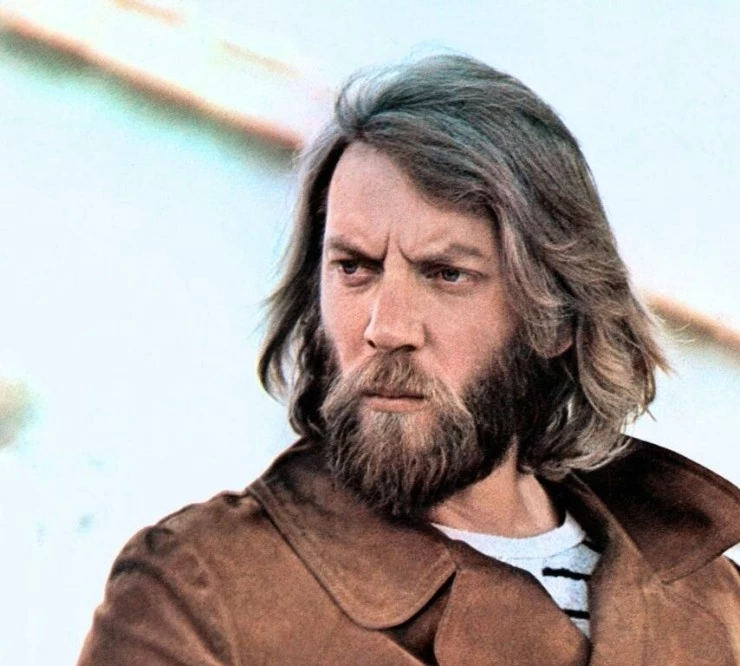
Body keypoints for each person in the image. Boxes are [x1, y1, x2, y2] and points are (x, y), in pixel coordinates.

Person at [77, 55, 740, 665]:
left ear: (557, 319)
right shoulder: (205, 591)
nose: (385, 328)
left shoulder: (717, 605)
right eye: (354, 268)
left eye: (447, 274)